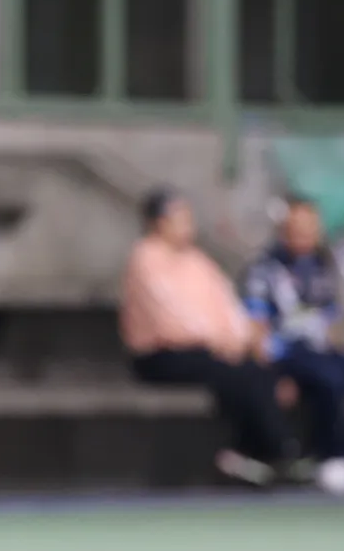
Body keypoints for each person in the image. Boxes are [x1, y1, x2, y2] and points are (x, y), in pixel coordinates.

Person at [120, 188, 295, 486]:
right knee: (235, 373)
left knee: (257, 370)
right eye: (179, 218)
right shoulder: (145, 259)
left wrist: (239, 338)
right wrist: (219, 341)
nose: (188, 224)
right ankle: (275, 451)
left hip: (210, 349)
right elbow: (171, 317)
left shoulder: (197, 260)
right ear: (158, 223)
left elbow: (226, 305)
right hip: (162, 354)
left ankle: (253, 453)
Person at [243, 196, 344, 499]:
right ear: (284, 230)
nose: (306, 235)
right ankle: (328, 459)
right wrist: (271, 375)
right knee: (331, 380)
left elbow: (331, 321)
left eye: (311, 228)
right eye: (298, 228)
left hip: (322, 351)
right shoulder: (264, 271)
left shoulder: (320, 267)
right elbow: (256, 329)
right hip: (288, 354)